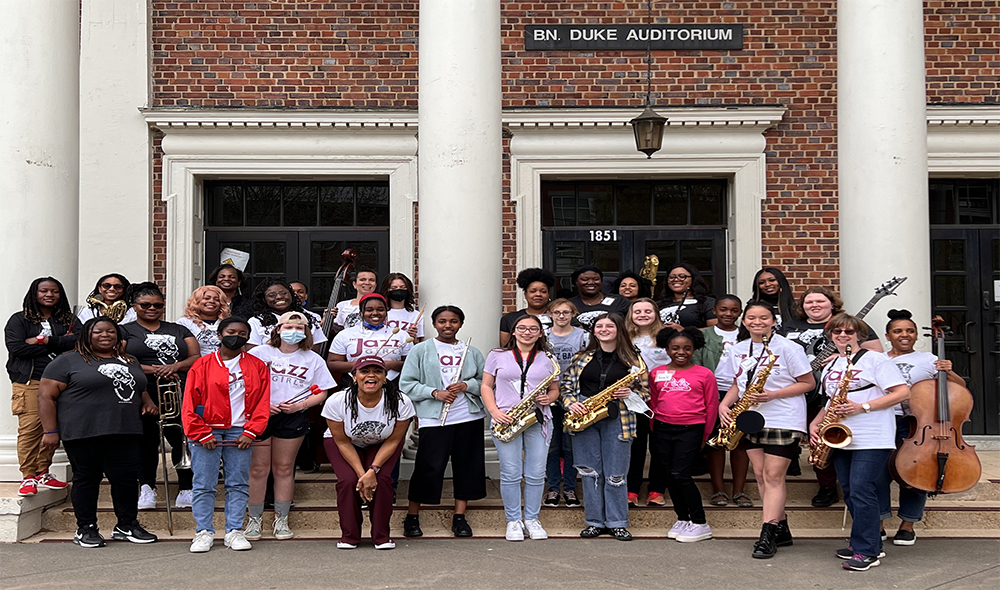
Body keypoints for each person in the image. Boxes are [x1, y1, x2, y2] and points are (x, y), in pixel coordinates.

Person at [37, 317, 158, 548]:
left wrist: (147, 400)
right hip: (84, 431)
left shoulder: (128, 360)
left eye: (111, 331)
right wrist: (50, 430)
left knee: (126, 481)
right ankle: (86, 528)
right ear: (86, 335)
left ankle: (127, 524)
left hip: (125, 430)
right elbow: (45, 396)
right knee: (87, 479)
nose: (105, 335)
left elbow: (138, 386)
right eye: (98, 331)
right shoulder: (66, 361)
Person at [808, 313, 910, 571]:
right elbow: (830, 400)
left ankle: (867, 552)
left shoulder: (875, 359)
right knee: (851, 490)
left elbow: (901, 392)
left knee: (863, 489)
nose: (843, 336)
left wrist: (862, 406)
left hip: (872, 435)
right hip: (840, 436)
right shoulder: (832, 364)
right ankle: (864, 542)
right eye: (837, 332)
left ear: (860, 336)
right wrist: (816, 422)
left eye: (849, 332)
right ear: (830, 336)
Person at [719, 301, 813, 558]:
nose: (757, 322)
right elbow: (738, 383)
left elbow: (807, 382)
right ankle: (782, 529)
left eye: (763, 318)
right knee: (760, 475)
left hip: (784, 417)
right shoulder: (738, 348)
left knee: (773, 476)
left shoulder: (789, 348)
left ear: (774, 321)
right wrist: (724, 405)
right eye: (751, 317)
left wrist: (774, 394)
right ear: (744, 320)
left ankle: (767, 534)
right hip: (751, 418)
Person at [783, 286, 883, 507]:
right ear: (802, 306)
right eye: (809, 302)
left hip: (831, 391)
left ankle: (828, 487)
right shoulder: (790, 327)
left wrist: (840, 354)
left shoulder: (847, 326)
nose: (814, 305)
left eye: (820, 301)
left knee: (824, 437)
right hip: (797, 388)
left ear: (832, 304)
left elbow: (876, 351)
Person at [243, 311, 334, 540]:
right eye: (288, 327)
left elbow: (322, 391)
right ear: (277, 329)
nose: (293, 332)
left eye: (299, 328)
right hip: (260, 416)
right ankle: (254, 520)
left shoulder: (312, 359)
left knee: (284, 468)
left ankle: (281, 519)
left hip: (292, 415)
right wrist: (262, 405)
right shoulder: (259, 353)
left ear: (306, 332)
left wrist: (301, 405)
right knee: (258, 469)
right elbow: (242, 384)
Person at [183, 316, 271, 553]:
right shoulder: (202, 364)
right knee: (203, 483)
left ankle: (234, 530)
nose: (237, 337)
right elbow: (190, 402)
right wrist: (200, 432)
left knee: (238, 483)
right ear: (220, 335)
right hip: (207, 430)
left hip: (240, 431)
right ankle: (203, 531)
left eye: (243, 334)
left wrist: (251, 431)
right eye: (232, 332)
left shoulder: (257, 366)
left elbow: (263, 402)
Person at [561, 312, 650, 541]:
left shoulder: (634, 360)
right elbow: (566, 388)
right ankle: (594, 521)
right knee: (590, 473)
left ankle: (617, 521)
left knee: (616, 474)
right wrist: (573, 404)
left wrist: (630, 393)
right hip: (586, 418)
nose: (603, 330)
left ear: (619, 330)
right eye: (599, 326)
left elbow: (645, 393)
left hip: (619, 419)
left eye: (609, 326)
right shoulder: (581, 357)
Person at [399, 305, 486, 538]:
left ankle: (459, 517)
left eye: (454, 321)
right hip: (434, 417)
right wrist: (434, 393)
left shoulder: (472, 351)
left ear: (461, 324)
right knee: (429, 466)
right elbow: (406, 383)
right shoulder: (421, 350)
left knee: (467, 466)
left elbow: (486, 381)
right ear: (435, 324)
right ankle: (412, 516)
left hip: (468, 415)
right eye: (442, 321)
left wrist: (468, 386)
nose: (448, 325)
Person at [879, 309, 964, 547]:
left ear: (916, 335)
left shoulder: (929, 360)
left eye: (910, 331)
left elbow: (960, 388)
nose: (904, 335)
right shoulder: (878, 359)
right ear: (888, 336)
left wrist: (948, 372)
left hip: (919, 425)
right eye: (898, 331)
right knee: (877, 474)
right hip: (884, 421)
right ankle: (878, 523)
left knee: (917, 473)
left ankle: (908, 526)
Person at [121, 282, 200, 510]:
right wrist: (154, 369)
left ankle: (186, 487)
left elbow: (195, 357)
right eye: (145, 305)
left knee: (181, 440)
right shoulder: (125, 330)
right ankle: (147, 487)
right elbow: (122, 359)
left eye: (158, 305)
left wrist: (175, 366)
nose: (152, 308)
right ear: (135, 306)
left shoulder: (179, 329)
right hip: (142, 391)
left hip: (178, 390)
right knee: (146, 441)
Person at [322, 356, 414, 549]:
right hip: (345, 442)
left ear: (385, 377)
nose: (371, 375)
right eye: (364, 371)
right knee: (348, 481)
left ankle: (381, 536)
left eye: (377, 371)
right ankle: (349, 536)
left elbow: (395, 439)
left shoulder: (400, 401)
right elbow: (342, 441)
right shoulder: (337, 401)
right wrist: (362, 475)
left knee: (382, 480)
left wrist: (373, 470)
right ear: (354, 377)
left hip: (384, 442)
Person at [482, 315, 560, 541]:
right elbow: (486, 386)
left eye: (533, 329)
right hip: (506, 418)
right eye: (522, 328)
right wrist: (495, 412)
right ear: (514, 332)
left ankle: (533, 519)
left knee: (536, 473)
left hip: (537, 419)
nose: (527, 332)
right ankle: (514, 520)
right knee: (510, 473)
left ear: (540, 333)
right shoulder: (497, 355)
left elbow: (555, 389)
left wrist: (550, 398)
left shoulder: (547, 358)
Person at [6, 277, 80, 496]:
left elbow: (81, 341)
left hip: (62, 382)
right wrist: (60, 343)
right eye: (44, 291)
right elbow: (17, 348)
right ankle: (28, 475)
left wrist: (42, 341)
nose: (50, 295)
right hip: (30, 381)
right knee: (30, 429)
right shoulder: (19, 320)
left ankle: (42, 471)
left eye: (55, 291)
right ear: (34, 293)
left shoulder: (68, 319)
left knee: (54, 428)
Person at [649, 327, 719, 543]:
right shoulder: (656, 373)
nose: (681, 352)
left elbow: (712, 406)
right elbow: (653, 401)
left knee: (681, 474)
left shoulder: (704, 374)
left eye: (687, 348)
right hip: (662, 428)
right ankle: (682, 518)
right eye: (675, 348)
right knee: (669, 475)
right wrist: (654, 426)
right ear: (667, 349)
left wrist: (705, 435)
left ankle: (700, 522)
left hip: (691, 428)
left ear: (694, 349)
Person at [691, 295, 752, 508]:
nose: (728, 314)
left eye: (734, 310)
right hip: (712, 393)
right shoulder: (703, 335)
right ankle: (718, 489)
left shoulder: (748, 335)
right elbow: (695, 364)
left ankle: (739, 490)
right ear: (715, 311)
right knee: (715, 441)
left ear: (740, 312)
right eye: (723, 309)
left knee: (740, 441)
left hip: (743, 394)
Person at [624, 298, 669, 507]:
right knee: (636, 444)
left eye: (648, 311)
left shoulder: (666, 337)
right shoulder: (624, 337)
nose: (642, 315)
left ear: (656, 313)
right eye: (637, 311)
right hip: (634, 398)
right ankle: (632, 489)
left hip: (663, 397)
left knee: (660, 445)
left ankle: (657, 489)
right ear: (631, 315)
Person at [543, 298, 588, 507]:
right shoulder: (543, 336)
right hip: (548, 396)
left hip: (574, 396)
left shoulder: (583, 337)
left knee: (571, 447)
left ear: (573, 314)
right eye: (557, 312)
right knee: (552, 447)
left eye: (566, 312)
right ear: (550, 314)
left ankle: (570, 488)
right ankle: (553, 488)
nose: (562, 316)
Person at [328, 293, 406, 383]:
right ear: (361, 314)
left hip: (392, 383)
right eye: (369, 310)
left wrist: (391, 364)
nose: (375, 313)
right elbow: (332, 364)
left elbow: (412, 365)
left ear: (386, 313)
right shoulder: (345, 335)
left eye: (380, 310)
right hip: (354, 384)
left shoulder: (401, 335)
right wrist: (362, 364)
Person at [247, 278, 327, 349]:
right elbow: (252, 353)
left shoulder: (309, 318)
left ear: (292, 295)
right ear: (264, 299)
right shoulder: (256, 321)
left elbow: (315, 350)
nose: (279, 297)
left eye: (284, 293)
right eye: (272, 295)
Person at [499, 268, 555, 346]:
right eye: (533, 291)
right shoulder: (510, 319)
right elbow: (506, 348)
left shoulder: (559, 318)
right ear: (525, 295)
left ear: (548, 294)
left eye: (543, 291)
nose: (538, 294)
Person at [567, 265, 631, 330]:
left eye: (596, 279)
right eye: (585, 279)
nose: (591, 282)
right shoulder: (568, 305)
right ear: (576, 282)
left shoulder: (619, 301)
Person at [657, 263, 717, 330]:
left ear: (693, 279)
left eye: (682, 276)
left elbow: (714, 331)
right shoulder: (659, 304)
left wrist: (684, 331)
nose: (676, 279)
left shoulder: (707, 303)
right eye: (672, 277)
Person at [176, 285, 231, 357]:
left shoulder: (228, 323)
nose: (211, 301)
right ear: (196, 301)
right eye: (206, 298)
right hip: (196, 365)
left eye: (217, 299)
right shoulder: (184, 322)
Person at [379, 272, 424, 351]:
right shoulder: (379, 313)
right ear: (387, 290)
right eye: (394, 288)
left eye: (403, 287)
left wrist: (413, 337)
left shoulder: (416, 315)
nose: (398, 290)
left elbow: (419, 343)